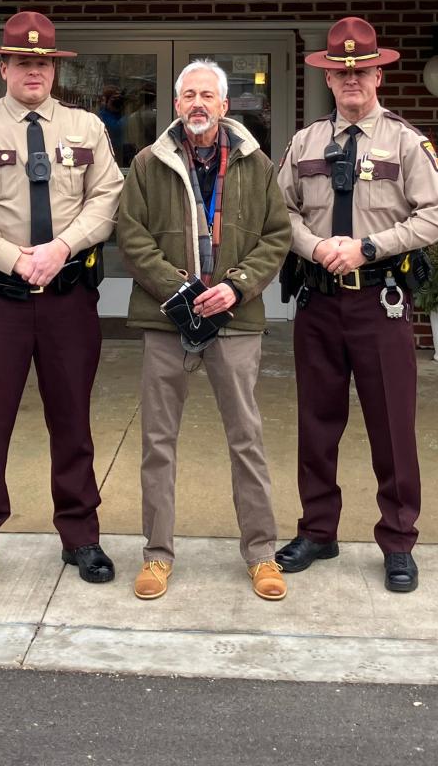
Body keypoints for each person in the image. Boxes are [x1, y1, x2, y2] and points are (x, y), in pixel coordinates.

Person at [0, 10, 124, 594]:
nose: (32, 71)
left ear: (55, 68)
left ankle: (80, 535)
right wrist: (15, 258)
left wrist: (61, 246)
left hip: (68, 296)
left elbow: (107, 196)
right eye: (22, 62)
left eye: (42, 62)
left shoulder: (86, 128)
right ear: (5, 67)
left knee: (72, 421)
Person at [276, 17, 438, 593]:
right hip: (319, 303)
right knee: (316, 424)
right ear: (328, 78)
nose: (351, 79)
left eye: (361, 69)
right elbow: (280, 215)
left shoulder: (405, 141)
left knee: (392, 426)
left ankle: (398, 540)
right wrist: (318, 246)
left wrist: (369, 247)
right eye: (340, 71)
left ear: (378, 73)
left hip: (383, 302)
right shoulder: (305, 143)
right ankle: (318, 530)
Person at [117, 59, 292, 601]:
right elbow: (131, 233)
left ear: (224, 105)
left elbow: (276, 235)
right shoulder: (148, 163)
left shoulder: (254, 163)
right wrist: (180, 290)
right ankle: (157, 554)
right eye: (188, 95)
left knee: (247, 439)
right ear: (176, 105)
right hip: (167, 320)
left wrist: (237, 287)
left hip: (236, 320)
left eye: (207, 95)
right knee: (158, 442)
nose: (198, 104)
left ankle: (261, 554)